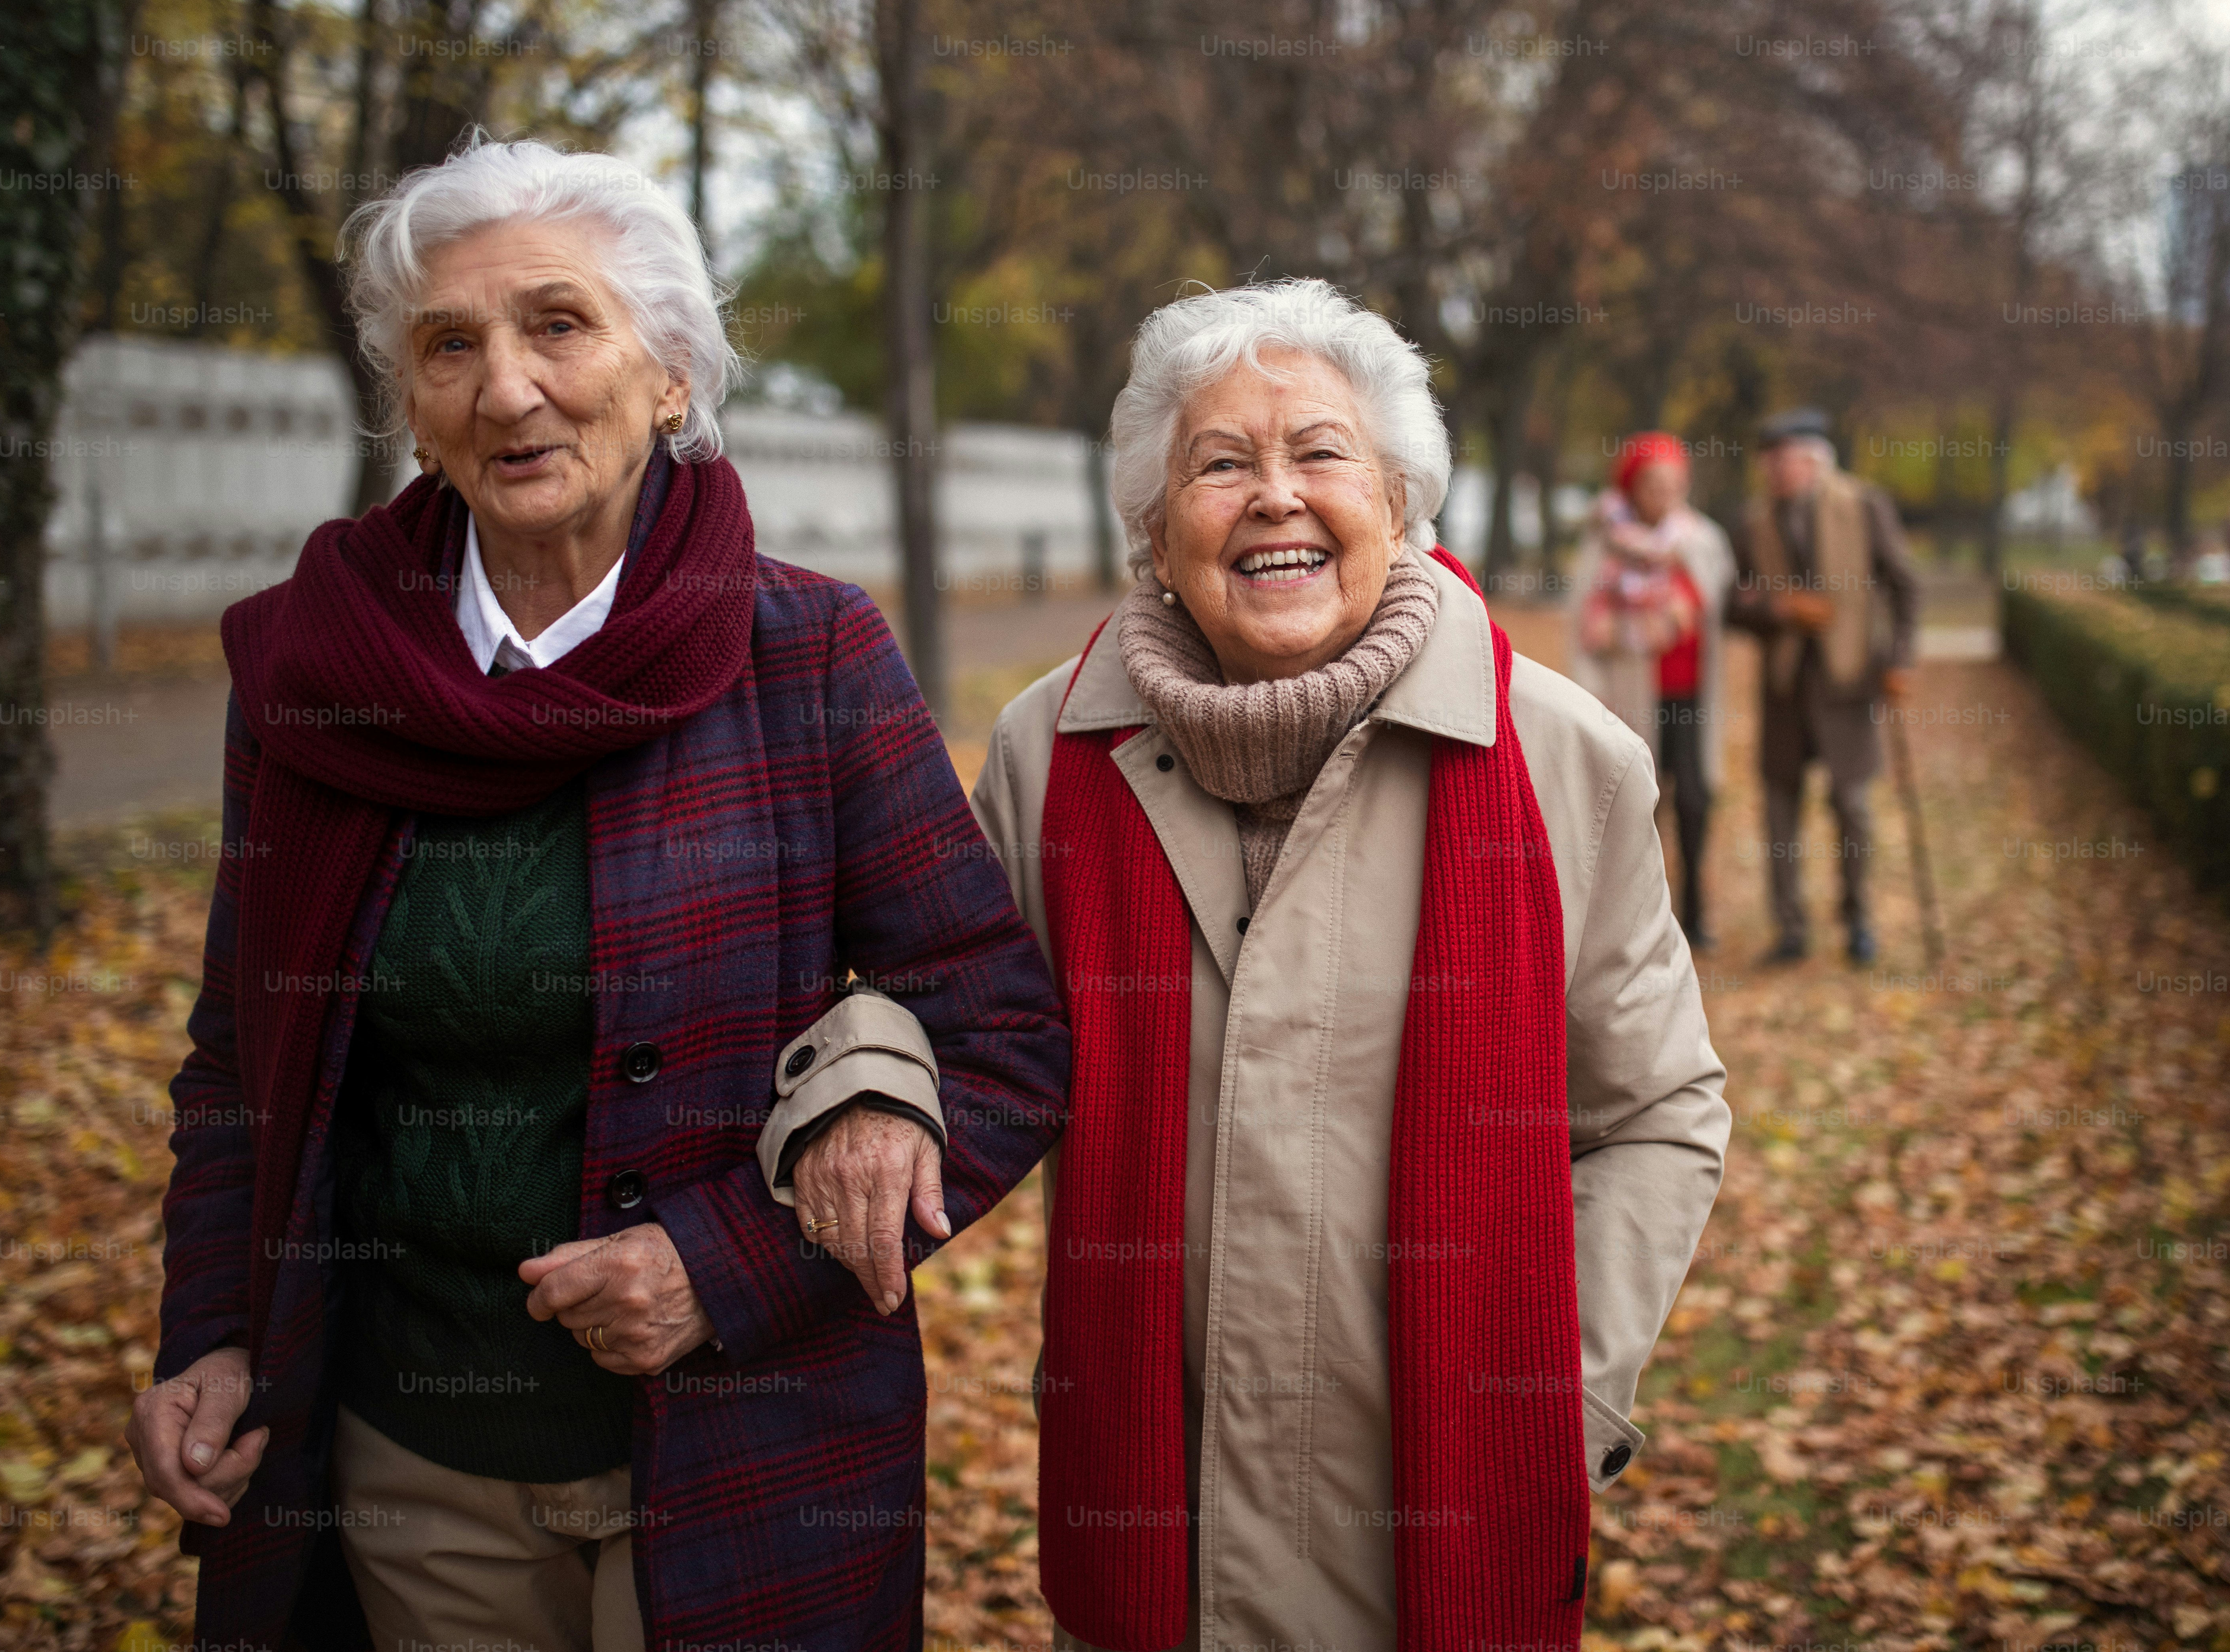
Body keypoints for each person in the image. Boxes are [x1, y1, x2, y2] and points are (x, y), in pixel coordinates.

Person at [129, 135, 1070, 1652]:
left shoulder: (807, 653)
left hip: (749, 1449)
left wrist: (728, 1265)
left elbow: (1004, 1035)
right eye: (452, 346)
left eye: (559, 325)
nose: (507, 390)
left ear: (670, 376)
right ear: (414, 408)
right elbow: (244, 1059)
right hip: (413, 1453)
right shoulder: (314, 673)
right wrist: (217, 1334)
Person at [809, 279, 1730, 1648]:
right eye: (1221, 463)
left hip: (1436, 1513)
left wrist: (1556, 1400)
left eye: (1321, 454)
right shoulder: (1046, 753)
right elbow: (939, 996)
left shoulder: (1554, 756)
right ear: (1158, 527)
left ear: (1402, 502)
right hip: (1150, 1531)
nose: (1274, 497)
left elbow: (1655, 1113)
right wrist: (871, 1080)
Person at [1723, 407, 1919, 966]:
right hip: (1785, 689)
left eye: (1783, 460)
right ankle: (1789, 928)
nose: (1773, 471)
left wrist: (1900, 659)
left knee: (1852, 804)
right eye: (1768, 461)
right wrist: (1780, 610)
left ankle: (1859, 920)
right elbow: (1734, 604)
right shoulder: (1753, 522)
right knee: (1779, 808)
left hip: (1849, 681)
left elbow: (1905, 586)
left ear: (1813, 461)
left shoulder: (1862, 506)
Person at [1570, 432, 1733, 948]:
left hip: (1693, 695)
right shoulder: (1605, 540)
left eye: (1673, 483)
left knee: (1696, 799)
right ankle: (1642, 918)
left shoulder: (1701, 540)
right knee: (1639, 804)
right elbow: (1584, 625)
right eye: (1653, 483)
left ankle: (1696, 914)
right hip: (1628, 696)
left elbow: (1720, 604)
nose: (1664, 493)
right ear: (1632, 486)